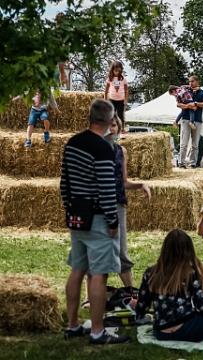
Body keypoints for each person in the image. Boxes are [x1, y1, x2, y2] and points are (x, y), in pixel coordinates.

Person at [61, 99, 126, 344]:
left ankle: (73, 324)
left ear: (89, 117)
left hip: (77, 215)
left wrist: (70, 208)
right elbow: (107, 188)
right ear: (111, 121)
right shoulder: (103, 149)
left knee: (77, 270)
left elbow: (64, 183)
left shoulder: (72, 143)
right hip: (99, 218)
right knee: (99, 274)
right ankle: (98, 331)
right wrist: (112, 220)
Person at [133, 229, 203, 342]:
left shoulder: (151, 272)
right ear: (189, 250)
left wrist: (141, 315)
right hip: (187, 328)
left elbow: (141, 306)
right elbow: (202, 307)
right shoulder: (190, 272)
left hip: (161, 332)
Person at [105, 115, 151, 287]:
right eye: (107, 125)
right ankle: (90, 297)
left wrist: (141, 184)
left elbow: (124, 182)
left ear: (118, 128)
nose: (111, 128)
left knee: (121, 250)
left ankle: (130, 291)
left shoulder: (121, 151)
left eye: (114, 125)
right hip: (97, 206)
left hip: (118, 205)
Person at [177, 75, 203, 168]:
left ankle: (193, 163)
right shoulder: (185, 91)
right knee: (184, 144)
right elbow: (178, 104)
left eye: (192, 81)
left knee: (195, 144)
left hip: (197, 121)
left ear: (197, 82)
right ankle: (181, 163)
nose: (190, 83)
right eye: (189, 81)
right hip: (186, 119)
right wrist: (188, 106)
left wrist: (195, 103)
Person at [104, 61, 128, 130]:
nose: (117, 72)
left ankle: (122, 128)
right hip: (112, 99)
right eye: (115, 70)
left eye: (118, 70)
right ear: (112, 70)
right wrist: (105, 100)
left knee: (120, 115)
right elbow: (106, 90)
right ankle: (110, 128)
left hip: (121, 100)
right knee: (111, 114)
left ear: (121, 70)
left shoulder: (123, 79)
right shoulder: (109, 79)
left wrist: (125, 100)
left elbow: (126, 90)